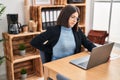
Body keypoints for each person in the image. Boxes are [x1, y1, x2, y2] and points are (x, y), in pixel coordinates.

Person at [30, 5, 96, 63]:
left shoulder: (77, 31)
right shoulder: (54, 31)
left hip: (72, 62)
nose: (75, 20)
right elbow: (34, 42)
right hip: (57, 64)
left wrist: (98, 52)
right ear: (65, 16)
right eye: (72, 17)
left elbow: (87, 43)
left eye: (76, 18)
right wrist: (51, 50)